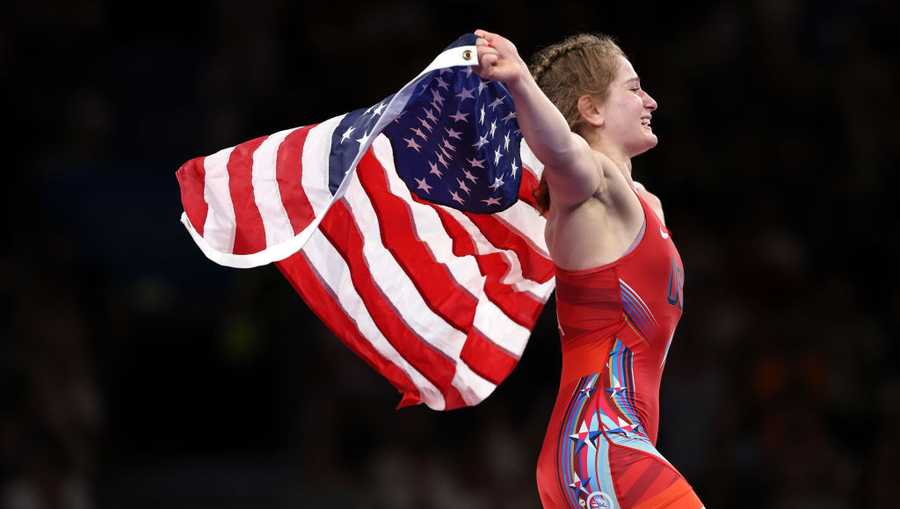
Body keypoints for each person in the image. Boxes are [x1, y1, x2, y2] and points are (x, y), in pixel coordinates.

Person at [474, 29, 704, 509]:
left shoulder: (646, 206)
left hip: (608, 448)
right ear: (591, 110)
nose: (652, 101)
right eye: (634, 88)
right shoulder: (589, 186)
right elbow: (561, 151)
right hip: (599, 446)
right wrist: (518, 80)